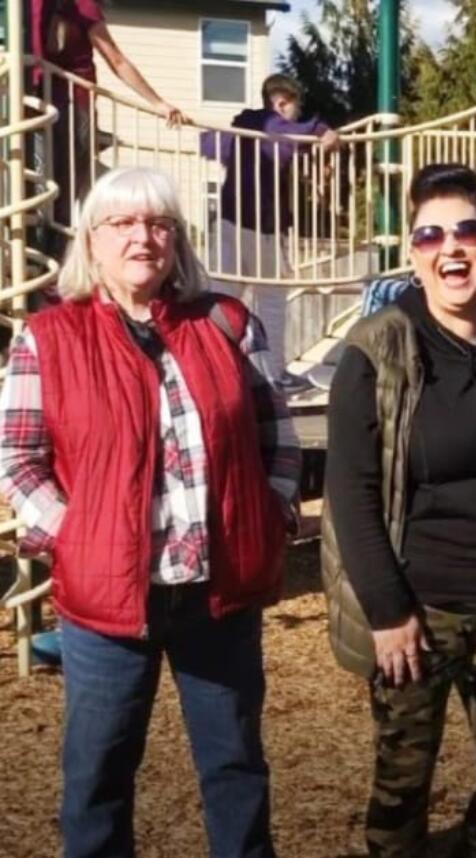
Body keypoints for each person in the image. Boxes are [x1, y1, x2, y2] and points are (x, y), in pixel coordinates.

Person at [0, 166, 301, 858]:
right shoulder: (49, 337)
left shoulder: (226, 324)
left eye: (159, 223)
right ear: (92, 242)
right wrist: (71, 537)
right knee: (98, 778)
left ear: (177, 241)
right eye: (124, 224)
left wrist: (272, 513)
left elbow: (276, 437)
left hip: (217, 598)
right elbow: (17, 459)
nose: (144, 237)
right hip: (106, 606)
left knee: (235, 770)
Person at [321, 163, 476, 856]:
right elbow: (350, 492)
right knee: (403, 789)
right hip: (417, 607)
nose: (451, 247)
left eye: (467, 229)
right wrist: (387, 611)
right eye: (431, 234)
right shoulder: (378, 349)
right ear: (413, 253)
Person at [202, 73, 340, 394]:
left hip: (245, 223)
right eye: (278, 103)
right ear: (273, 103)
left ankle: (234, 368)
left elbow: (222, 146)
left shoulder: (253, 130)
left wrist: (316, 158)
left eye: (289, 105)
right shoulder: (262, 121)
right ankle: (260, 372)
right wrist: (321, 131)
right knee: (255, 298)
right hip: (246, 225)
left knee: (242, 298)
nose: (285, 111)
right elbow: (286, 133)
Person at [28, 0, 187, 244]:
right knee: (36, 185)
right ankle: (35, 250)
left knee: (57, 189)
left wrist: (157, 102)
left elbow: (116, 59)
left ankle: (49, 254)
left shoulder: (80, 5)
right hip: (31, 98)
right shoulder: (22, 8)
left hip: (70, 103)